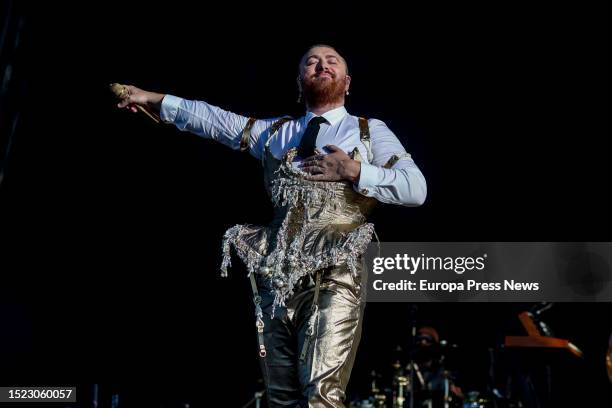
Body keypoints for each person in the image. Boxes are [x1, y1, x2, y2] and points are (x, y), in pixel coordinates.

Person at [116, 44, 427, 407]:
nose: (321, 65)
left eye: (331, 61)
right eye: (311, 61)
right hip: (277, 271)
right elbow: (214, 119)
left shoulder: (367, 131)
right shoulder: (275, 132)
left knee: (320, 393)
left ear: (347, 82)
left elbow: (416, 188)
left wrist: (354, 170)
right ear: (300, 81)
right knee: (281, 396)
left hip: (335, 265)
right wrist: (153, 98)